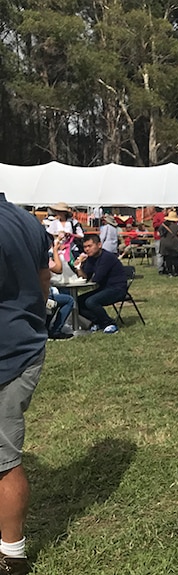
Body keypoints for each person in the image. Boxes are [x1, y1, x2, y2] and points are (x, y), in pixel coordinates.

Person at [0, 197, 51, 575]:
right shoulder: (26, 221)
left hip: (8, 355)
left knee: (4, 460)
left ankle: (11, 554)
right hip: (24, 348)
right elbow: (43, 283)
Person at [73, 234, 127, 334]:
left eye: (90, 246)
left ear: (99, 245)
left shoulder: (107, 257)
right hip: (103, 288)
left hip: (117, 288)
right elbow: (85, 277)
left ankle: (109, 323)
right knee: (77, 302)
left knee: (91, 301)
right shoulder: (90, 259)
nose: (87, 249)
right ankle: (98, 322)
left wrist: (88, 278)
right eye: (85, 247)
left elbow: (96, 279)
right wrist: (79, 267)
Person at [158, 210, 178, 276]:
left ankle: (169, 272)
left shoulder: (163, 225)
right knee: (175, 259)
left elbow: (158, 234)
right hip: (173, 244)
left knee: (167, 259)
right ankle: (176, 272)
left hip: (164, 244)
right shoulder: (176, 226)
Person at [151, 207, 166, 273]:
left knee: (164, 254)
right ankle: (160, 269)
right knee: (159, 254)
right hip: (159, 237)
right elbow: (154, 225)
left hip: (166, 238)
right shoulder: (158, 215)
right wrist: (162, 223)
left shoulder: (168, 215)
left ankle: (165, 268)